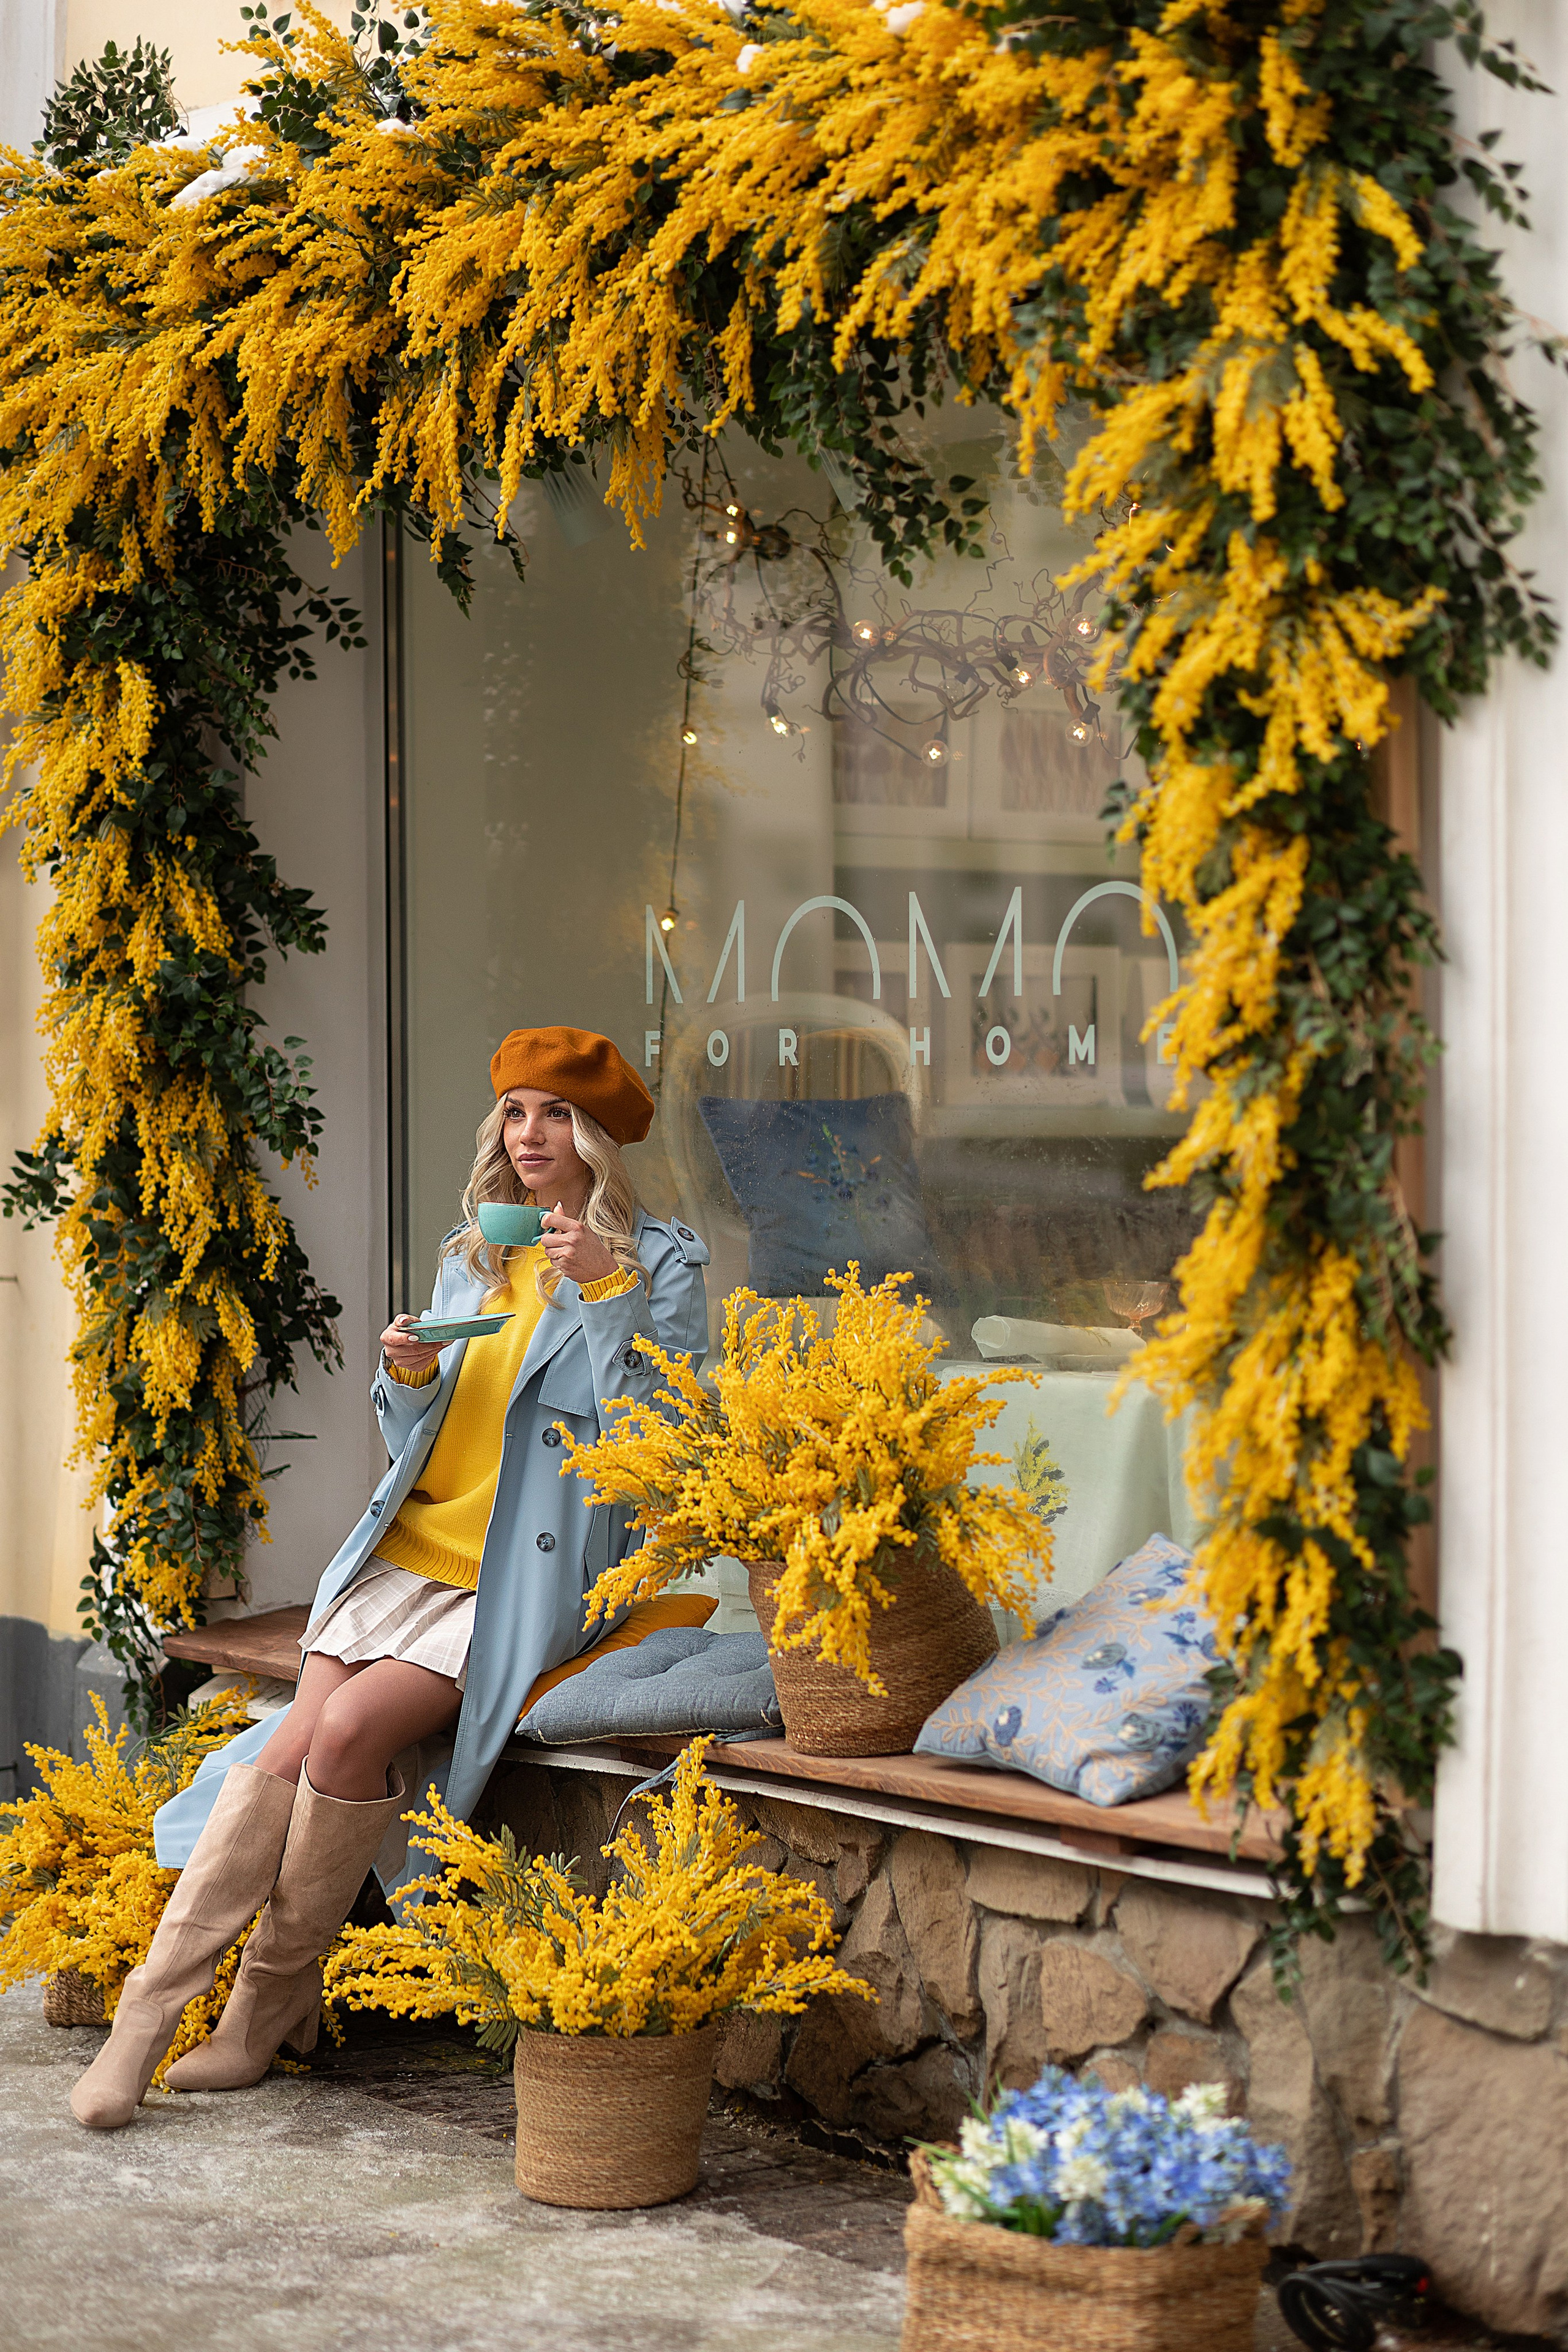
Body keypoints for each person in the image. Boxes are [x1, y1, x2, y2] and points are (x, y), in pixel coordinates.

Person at [70, 1026, 709, 2130]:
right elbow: (422, 1428)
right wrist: (402, 1373)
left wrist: (608, 1297)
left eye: (555, 1114)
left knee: (356, 1726)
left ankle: (256, 2018)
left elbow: (662, 1440)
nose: (530, 1135)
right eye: (515, 1112)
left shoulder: (664, 1262)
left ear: (598, 1137)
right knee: (296, 1736)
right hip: (407, 1548)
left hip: (523, 1574)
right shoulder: (477, 1252)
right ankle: (148, 2022)